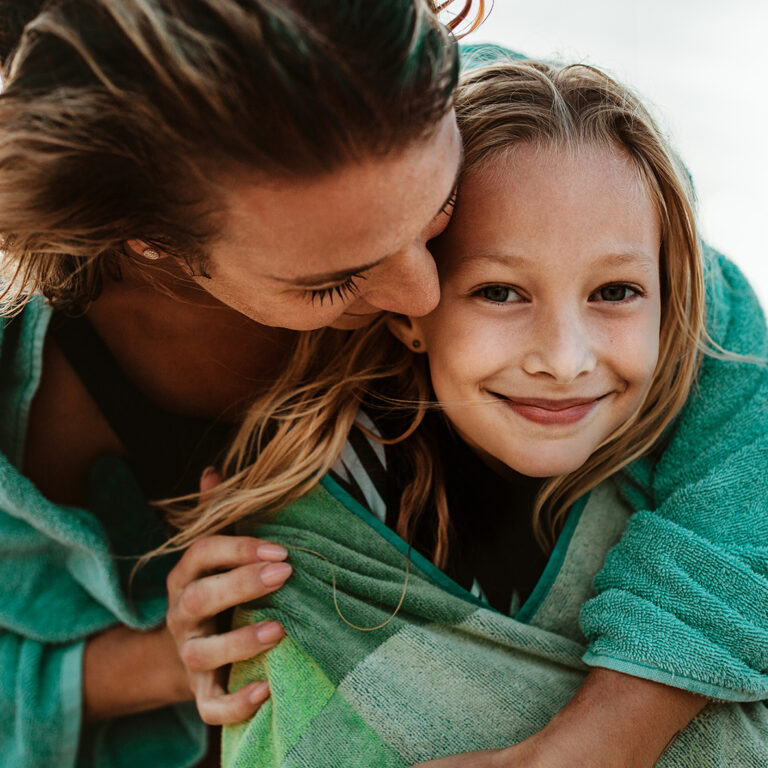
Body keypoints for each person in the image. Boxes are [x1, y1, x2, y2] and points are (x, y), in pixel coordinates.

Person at [159, 59, 768, 766]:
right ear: (409, 303)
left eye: (616, 291)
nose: (565, 360)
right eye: (501, 292)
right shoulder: (304, 533)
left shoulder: (711, 460)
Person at [0, 2, 482, 766]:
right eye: (335, 282)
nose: (423, 296)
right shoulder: (41, 385)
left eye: (442, 206)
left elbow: (737, 418)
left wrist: (607, 729)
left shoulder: (519, 121)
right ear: (152, 241)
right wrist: (163, 660)